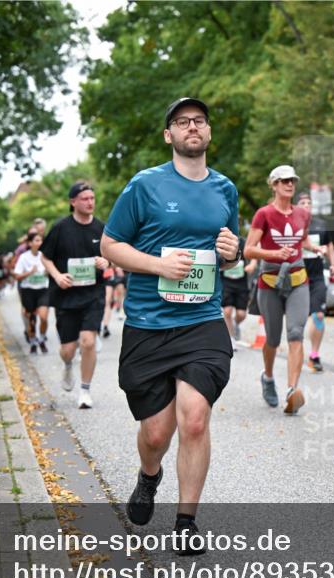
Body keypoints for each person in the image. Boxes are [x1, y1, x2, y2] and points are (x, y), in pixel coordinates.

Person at [100, 97, 240, 552]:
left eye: (198, 121)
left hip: (203, 321)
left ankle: (186, 523)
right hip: (149, 322)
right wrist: (158, 265)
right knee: (157, 434)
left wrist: (233, 253)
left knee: (195, 420)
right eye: (182, 122)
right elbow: (110, 245)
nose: (191, 127)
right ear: (169, 135)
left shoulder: (225, 189)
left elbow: (229, 255)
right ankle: (149, 476)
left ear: (208, 131)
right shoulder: (145, 185)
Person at [244, 165, 311, 414]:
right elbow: (248, 249)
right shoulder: (264, 214)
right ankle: (268, 377)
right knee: (272, 339)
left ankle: (292, 390)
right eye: (284, 181)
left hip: (298, 280)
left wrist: (319, 249)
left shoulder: (303, 214)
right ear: (274, 185)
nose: (289, 184)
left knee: (295, 333)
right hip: (270, 281)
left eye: (292, 180)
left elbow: (303, 240)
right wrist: (274, 254)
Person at [39, 182, 109, 409]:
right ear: (73, 202)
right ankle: (68, 365)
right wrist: (57, 276)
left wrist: (106, 262)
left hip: (93, 294)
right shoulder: (60, 228)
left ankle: (85, 391)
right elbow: (45, 257)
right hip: (66, 296)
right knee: (68, 350)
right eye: (85, 199)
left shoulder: (101, 228)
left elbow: (113, 255)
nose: (90, 202)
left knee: (88, 342)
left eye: (92, 198)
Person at [297, 192, 334, 372]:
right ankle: (296, 350)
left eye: (309, 203)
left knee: (318, 315)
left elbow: (329, 246)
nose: (306, 205)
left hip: (317, 277)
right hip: (297, 277)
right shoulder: (292, 224)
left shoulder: (320, 224)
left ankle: (314, 355)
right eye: (302, 203)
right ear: (296, 206)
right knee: (298, 320)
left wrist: (333, 263)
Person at [12, 231, 50, 354]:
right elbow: (17, 276)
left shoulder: (45, 256)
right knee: (31, 320)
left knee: (43, 317)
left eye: (41, 240)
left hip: (43, 290)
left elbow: (52, 270)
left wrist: (48, 272)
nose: (40, 243)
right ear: (30, 243)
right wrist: (30, 272)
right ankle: (33, 342)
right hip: (28, 291)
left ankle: (42, 338)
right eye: (37, 240)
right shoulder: (24, 257)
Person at [221, 238, 258, 347]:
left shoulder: (242, 242)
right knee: (227, 311)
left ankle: (234, 324)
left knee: (241, 314)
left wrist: (252, 265)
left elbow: (253, 254)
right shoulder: (222, 240)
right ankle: (231, 339)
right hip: (226, 282)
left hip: (241, 283)